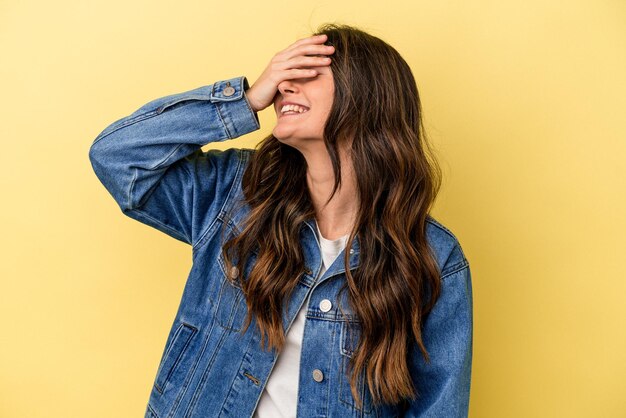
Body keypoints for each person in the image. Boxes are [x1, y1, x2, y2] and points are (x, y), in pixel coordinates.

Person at [89, 23, 473, 418]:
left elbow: (439, 408)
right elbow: (116, 157)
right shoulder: (235, 195)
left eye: (307, 74)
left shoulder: (433, 258)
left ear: (366, 98)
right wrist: (245, 100)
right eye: (285, 76)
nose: (284, 87)